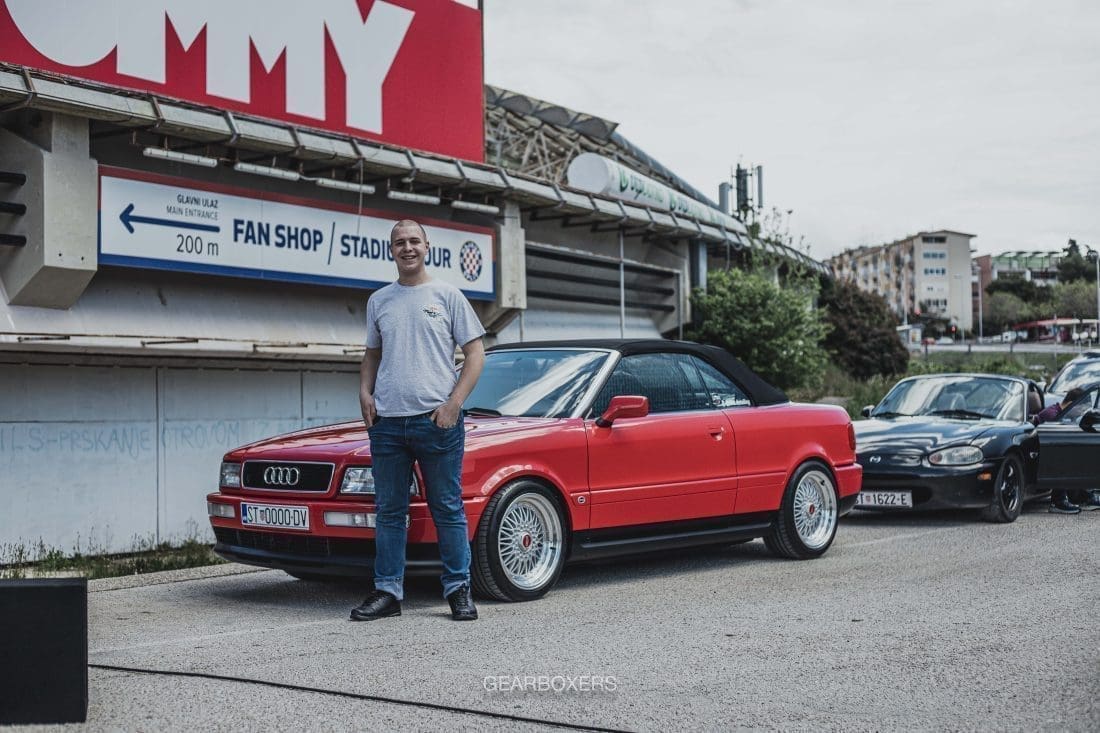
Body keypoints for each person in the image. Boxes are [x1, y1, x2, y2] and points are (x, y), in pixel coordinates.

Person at [350, 219, 485, 621]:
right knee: (390, 512)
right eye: (399, 243)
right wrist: (364, 391)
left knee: (447, 508)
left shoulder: (447, 295)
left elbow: (475, 354)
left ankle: (459, 590)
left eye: (414, 241)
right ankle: (388, 592)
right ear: (390, 250)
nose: (407, 248)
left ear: (427, 246)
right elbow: (372, 354)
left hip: (436, 422)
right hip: (388, 424)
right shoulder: (379, 301)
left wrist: (454, 403)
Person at [1030, 387, 1099, 513]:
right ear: (1072, 404)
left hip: (1047, 453)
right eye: (1081, 409)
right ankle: (1058, 501)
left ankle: (1082, 496)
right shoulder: (1052, 414)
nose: (1081, 412)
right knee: (1066, 453)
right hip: (1039, 454)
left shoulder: (1063, 414)